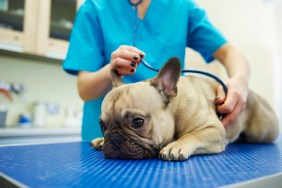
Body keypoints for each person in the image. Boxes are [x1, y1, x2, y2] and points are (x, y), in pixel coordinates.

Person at [63, 0, 250, 141]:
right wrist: (111, 70)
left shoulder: (181, 7)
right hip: (105, 141)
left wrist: (240, 81)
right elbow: (85, 90)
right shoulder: (95, 8)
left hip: (167, 140)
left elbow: (229, 53)